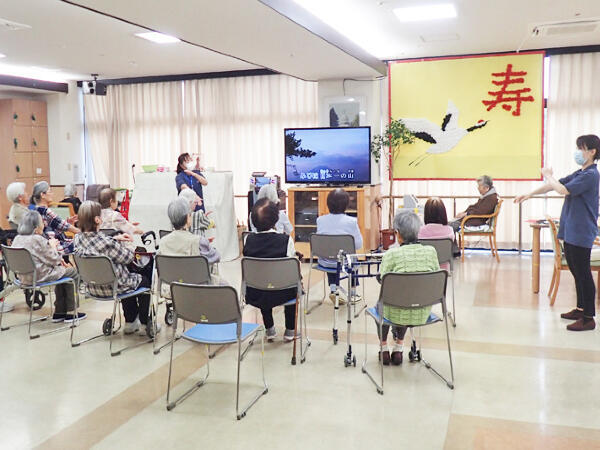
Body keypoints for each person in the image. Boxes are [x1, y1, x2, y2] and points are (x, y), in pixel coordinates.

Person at [516, 134, 600, 331]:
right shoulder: (580, 172)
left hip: (581, 231)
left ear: (592, 152)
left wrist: (548, 175)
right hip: (572, 230)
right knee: (576, 270)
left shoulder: (591, 175)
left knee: (583, 273)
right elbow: (554, 185)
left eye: (581, 148)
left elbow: (562, 190)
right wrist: (529, 194)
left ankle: (588, 318)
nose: (578, 152)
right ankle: (580, 308)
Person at [73, 201, 158, 335]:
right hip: (113, 287)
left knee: (125, 277)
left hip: (93, 288)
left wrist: (115, 238)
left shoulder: (77, 239)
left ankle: (130, 321)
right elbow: (129, 258)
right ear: (97, 220)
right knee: (143, 279)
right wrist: (120, 243)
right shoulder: (107, 243)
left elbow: (95, 241)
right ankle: (145, 322)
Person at [377, 211, 440, 365]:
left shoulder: (391, 255)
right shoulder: (431, 252)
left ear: (397, 234)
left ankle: (384, 348)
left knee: (386, 304)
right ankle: (398, 348)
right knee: (408, 299)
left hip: (395, 312)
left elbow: (383, 279)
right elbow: (436, 278)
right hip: (423, 312)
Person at [12, 210, 86, 322]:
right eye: (42, 222)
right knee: (72, 273)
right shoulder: (38, 239)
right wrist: (52, 246)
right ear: (36, 227)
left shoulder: (17, 239)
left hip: (23, 277)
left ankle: (59, 312)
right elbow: (54, 259)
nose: (44, 224)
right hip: (39, 276)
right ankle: (71, 312)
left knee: (61, 273)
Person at [243, 198, 298, 342]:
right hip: (283, 293)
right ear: (276, 219)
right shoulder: (285, 241)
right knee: (292, 282)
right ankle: (290, 330)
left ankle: (269, 329)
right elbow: (291, 267)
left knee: (263, 278)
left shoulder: (248, 240)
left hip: (256, 293)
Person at [316, 188, 363, 303]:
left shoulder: (320, 220)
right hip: (346, 263)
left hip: (325, 262)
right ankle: (352, 293)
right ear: (346, 205)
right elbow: (358, 244)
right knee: (351, 258)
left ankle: (333, 289)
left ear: (328, 204)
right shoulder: (351, 221)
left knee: (331, 254)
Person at [31, 181, 79, 252]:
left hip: (43, 245)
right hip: (52, 246)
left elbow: (55, 224)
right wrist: (82, 233)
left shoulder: (34, 209)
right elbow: (65, 226)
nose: (52, 194)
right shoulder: (45, 210)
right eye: (50, 191)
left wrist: (68, 222)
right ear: (42, 195)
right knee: (78, 243)